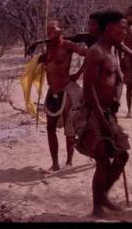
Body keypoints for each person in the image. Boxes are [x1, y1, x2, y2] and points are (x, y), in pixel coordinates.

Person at [75, 10, 131, 217]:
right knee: (102, 160)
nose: (124, 32)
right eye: (121, 27)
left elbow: (118, 80)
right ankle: (97, 206)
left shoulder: (113, 52)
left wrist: (116, 100)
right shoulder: (95, 52)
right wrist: (100, 118)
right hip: (93, 113)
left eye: (125, 28)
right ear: (108, 28)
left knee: (122, 155)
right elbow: (88, 89)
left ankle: (103, 196)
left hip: (108, 113)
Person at [41, 20, 87, 171]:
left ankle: (69, 161)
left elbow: (87, 54)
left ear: (60, 31)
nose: (50, 32)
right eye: (48, 30)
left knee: (69, 128)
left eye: (53, 30)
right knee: (50, 128)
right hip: (52, 91)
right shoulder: (47, 47)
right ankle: (54, 163)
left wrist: (78, 74)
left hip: (66, 90)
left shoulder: (67, 45)